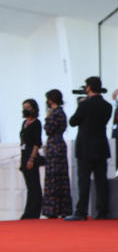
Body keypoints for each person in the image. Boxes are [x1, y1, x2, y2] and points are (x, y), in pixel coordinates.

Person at [65, 77, 112, 220]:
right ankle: (102, 211)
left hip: (85, 146)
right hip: (101, 146)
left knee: (84, 181)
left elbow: (73, 122)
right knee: (101, 181)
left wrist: (80, 105)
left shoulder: (85, 105)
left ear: (89, 88)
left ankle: (81, 212)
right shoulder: (107, 105)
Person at [41, 89, 71, 218]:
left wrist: (47, 117)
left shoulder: (54, 113)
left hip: (54, 146)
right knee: (61, 177)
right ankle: (62, 208)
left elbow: (49, 129)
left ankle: (53, 209)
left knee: (53, 178)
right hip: (59, 145)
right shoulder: (61, 113)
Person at [19, 99, 43, 219]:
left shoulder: (36, 123)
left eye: (28, 107)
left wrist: (32, 159)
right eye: (24, 107)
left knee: (34, 186)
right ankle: (28, 212)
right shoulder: (24, 123)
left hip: (31, 156)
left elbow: (37, 143)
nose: (25, 109)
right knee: (30, 187)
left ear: (33, 108)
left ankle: (34, 212)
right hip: (24, 155)